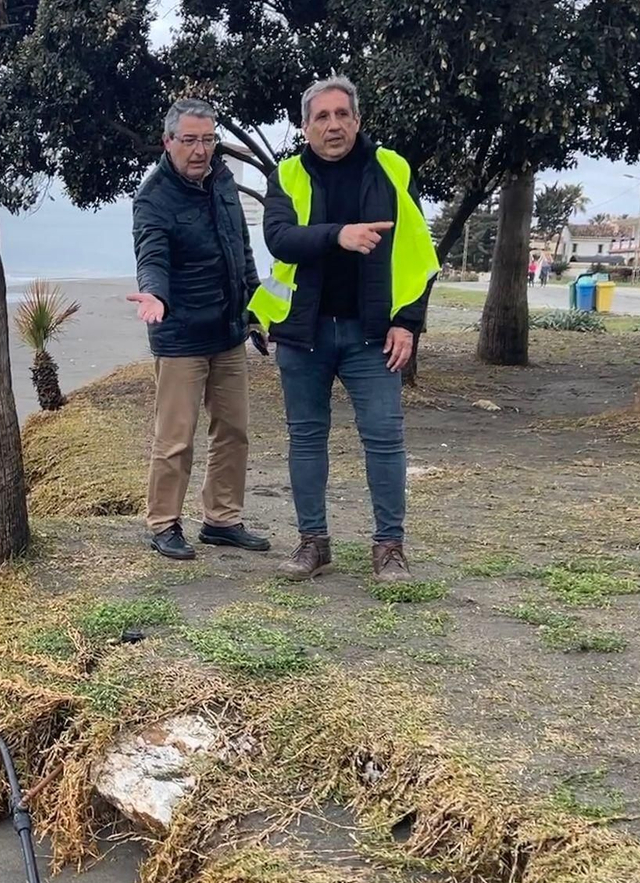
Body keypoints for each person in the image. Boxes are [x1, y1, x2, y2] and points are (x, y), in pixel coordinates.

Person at [249, 75, 440, 582]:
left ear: (357, 120)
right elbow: (280, 239)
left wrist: (408, 322)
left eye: (342, 115)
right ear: (305, 127)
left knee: (384, 438)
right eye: (321, 117)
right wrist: (341, 235)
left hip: (372, 333)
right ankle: (314, 542)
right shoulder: (286, 174)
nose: (333, 125)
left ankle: (389, 547)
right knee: (306, 439)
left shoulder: (391, 169)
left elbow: (419, 254)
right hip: (302, 332)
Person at [128, 97, 270, 561]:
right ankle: (163, 523)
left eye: (208, 140)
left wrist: (255, 309)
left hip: (228, 331)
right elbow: (153, 257)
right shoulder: (154, 197)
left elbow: (241, 251)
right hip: (181, 334)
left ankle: (222, 520)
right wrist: (156, 295)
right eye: (189, 140)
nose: (200, 150)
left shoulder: (224, 182)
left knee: (233, 429)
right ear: (169, 142)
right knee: (176, 437)